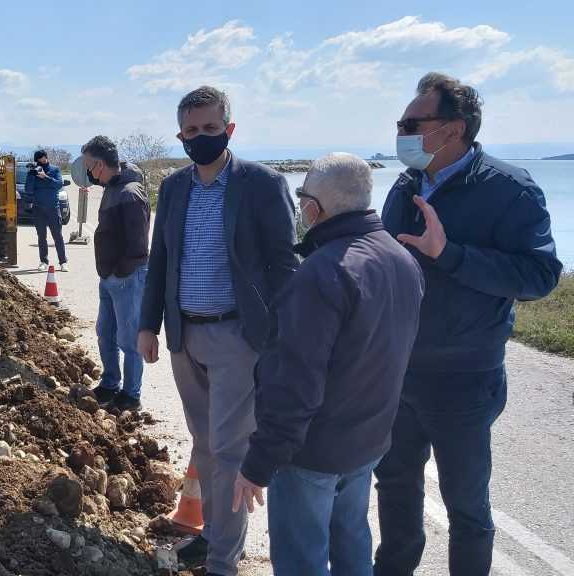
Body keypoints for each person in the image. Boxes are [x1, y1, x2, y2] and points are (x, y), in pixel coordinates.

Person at [373, 73, 562, 576]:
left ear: (452, 129)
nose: (402, 132)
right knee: (393, 487)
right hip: (398, 371)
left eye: (412, 123)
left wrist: (449, 254)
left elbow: (540, 275)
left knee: (466, 507)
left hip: (464, 378)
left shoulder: (510, 190)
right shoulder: (406, 181)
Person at [232, 153, 424, 575]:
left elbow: (294, 383)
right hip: (367, 441)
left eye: (303, 199)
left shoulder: (322, 274)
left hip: (312, 452)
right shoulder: (401, 258)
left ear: (313, 209)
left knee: (303, 559)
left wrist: (259, 463)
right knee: (352, 542)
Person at [137, 85, 297, 575]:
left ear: (229, 129)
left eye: (210, 129)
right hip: (186, 336)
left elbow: (283, 263)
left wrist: (280, 332)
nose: (200, 137)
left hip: (238, 338)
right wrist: (148, 325)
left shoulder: (261, 184)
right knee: (204, 444)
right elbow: (160, 258)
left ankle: (223, 561)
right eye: (191, 131)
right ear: (180, 136)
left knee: (229, 449)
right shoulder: (175, 187)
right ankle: (214, 535)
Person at [82, 135, 150, 412]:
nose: (87, 172)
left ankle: (131, 395)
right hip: (110, 277)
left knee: (130, 339)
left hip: (127, 278)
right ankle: (110, 384)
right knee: (105, 333)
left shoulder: (130, 194)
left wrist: (120, 272)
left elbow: (138, 245)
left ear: (99, 164)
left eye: (89, 166)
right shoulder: (112, 187)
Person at [26, 149, 68, 271]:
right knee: (41, 236)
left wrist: (45, 177)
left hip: (53, 208)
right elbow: (28, 189)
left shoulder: (54, 170)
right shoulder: (33, 172)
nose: (41, 163)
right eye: (38, 161)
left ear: (46, 157)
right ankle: (43, 261)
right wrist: (32, 176)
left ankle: (63, 262)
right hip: (38, 208)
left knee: (57, 236)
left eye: (42, 159)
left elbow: (59, 184)